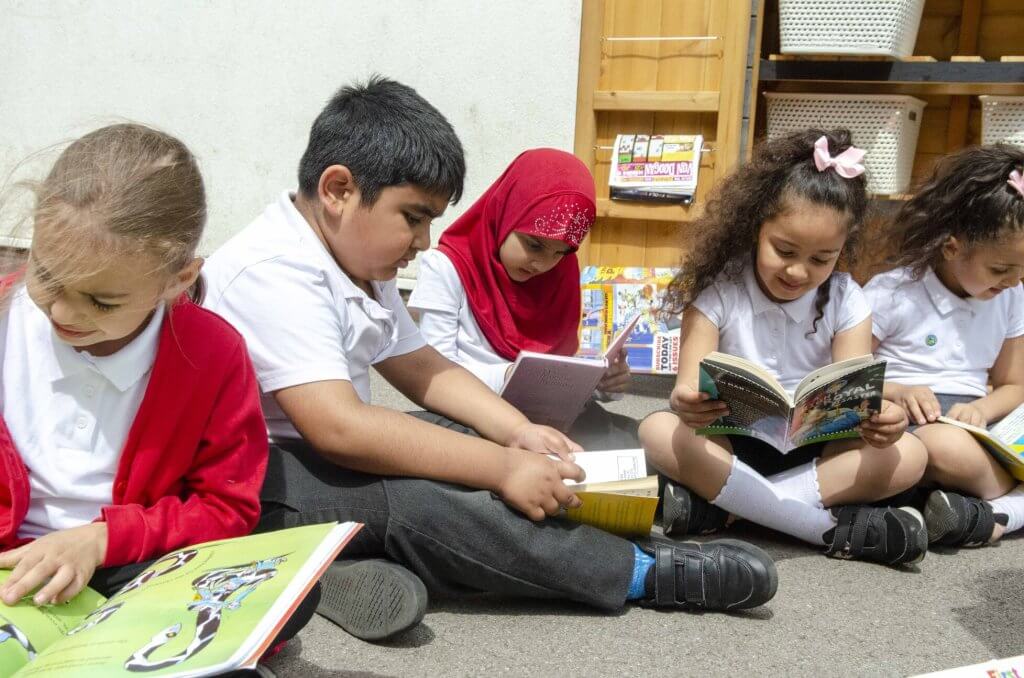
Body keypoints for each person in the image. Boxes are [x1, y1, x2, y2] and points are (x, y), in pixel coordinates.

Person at [203, 77, 779, 641]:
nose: (424, 241)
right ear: (338, 190)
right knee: (408, 496)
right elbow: (340, 429)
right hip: (256, 488)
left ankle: (337, 567)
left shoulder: (352, 258)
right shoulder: (276, 270)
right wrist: (502, 469)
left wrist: (518, 433)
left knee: (474, 436)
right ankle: (638, 573)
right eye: (414, 217)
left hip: (316, 461)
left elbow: (425, 371)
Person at [0, 124, 312, 661]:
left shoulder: (213, 354)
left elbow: (225, 506)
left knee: (290, 595)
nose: (63, 313)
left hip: (126, 564)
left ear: (178, 278)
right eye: (48, 277)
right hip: (11, 566)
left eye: (101, 301)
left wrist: (99, 541)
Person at [639, 129, 929, 566]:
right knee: (656, 431)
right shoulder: (719, 292)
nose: (797, 271)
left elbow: (853, 390)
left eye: (821, 259)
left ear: (842, 250)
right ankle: (822, 529)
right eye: (784, 249)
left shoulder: (848, 298)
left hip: (818, 458)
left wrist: (881, 420)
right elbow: (686, 390)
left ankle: (739, 510)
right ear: (756, 228)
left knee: (911, 453)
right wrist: (687, 402)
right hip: (732, 448)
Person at [408, 148, 636, 450]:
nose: (543, 264)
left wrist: (600, 385)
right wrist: (509, 375)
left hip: (547, 422)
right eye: (534, 245)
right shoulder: (447, 268)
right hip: (469, 418)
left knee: (634, 449)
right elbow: (434, 372)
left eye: (561, 253)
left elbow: (557, 374)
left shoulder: (559, 277)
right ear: (506, 212)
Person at [865, 144, 1024, 548]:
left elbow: (1013, 384)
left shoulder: (1011, 297)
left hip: (975, 426)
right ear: (951, 247)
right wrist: (897, 390)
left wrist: (981, 408)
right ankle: (1003, 510)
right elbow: (846, 371)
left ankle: (961, 511)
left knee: (947, 444)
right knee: (937, 445)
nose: (1013, 280)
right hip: (899, 420)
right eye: (1001, 269)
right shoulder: (894, 291)